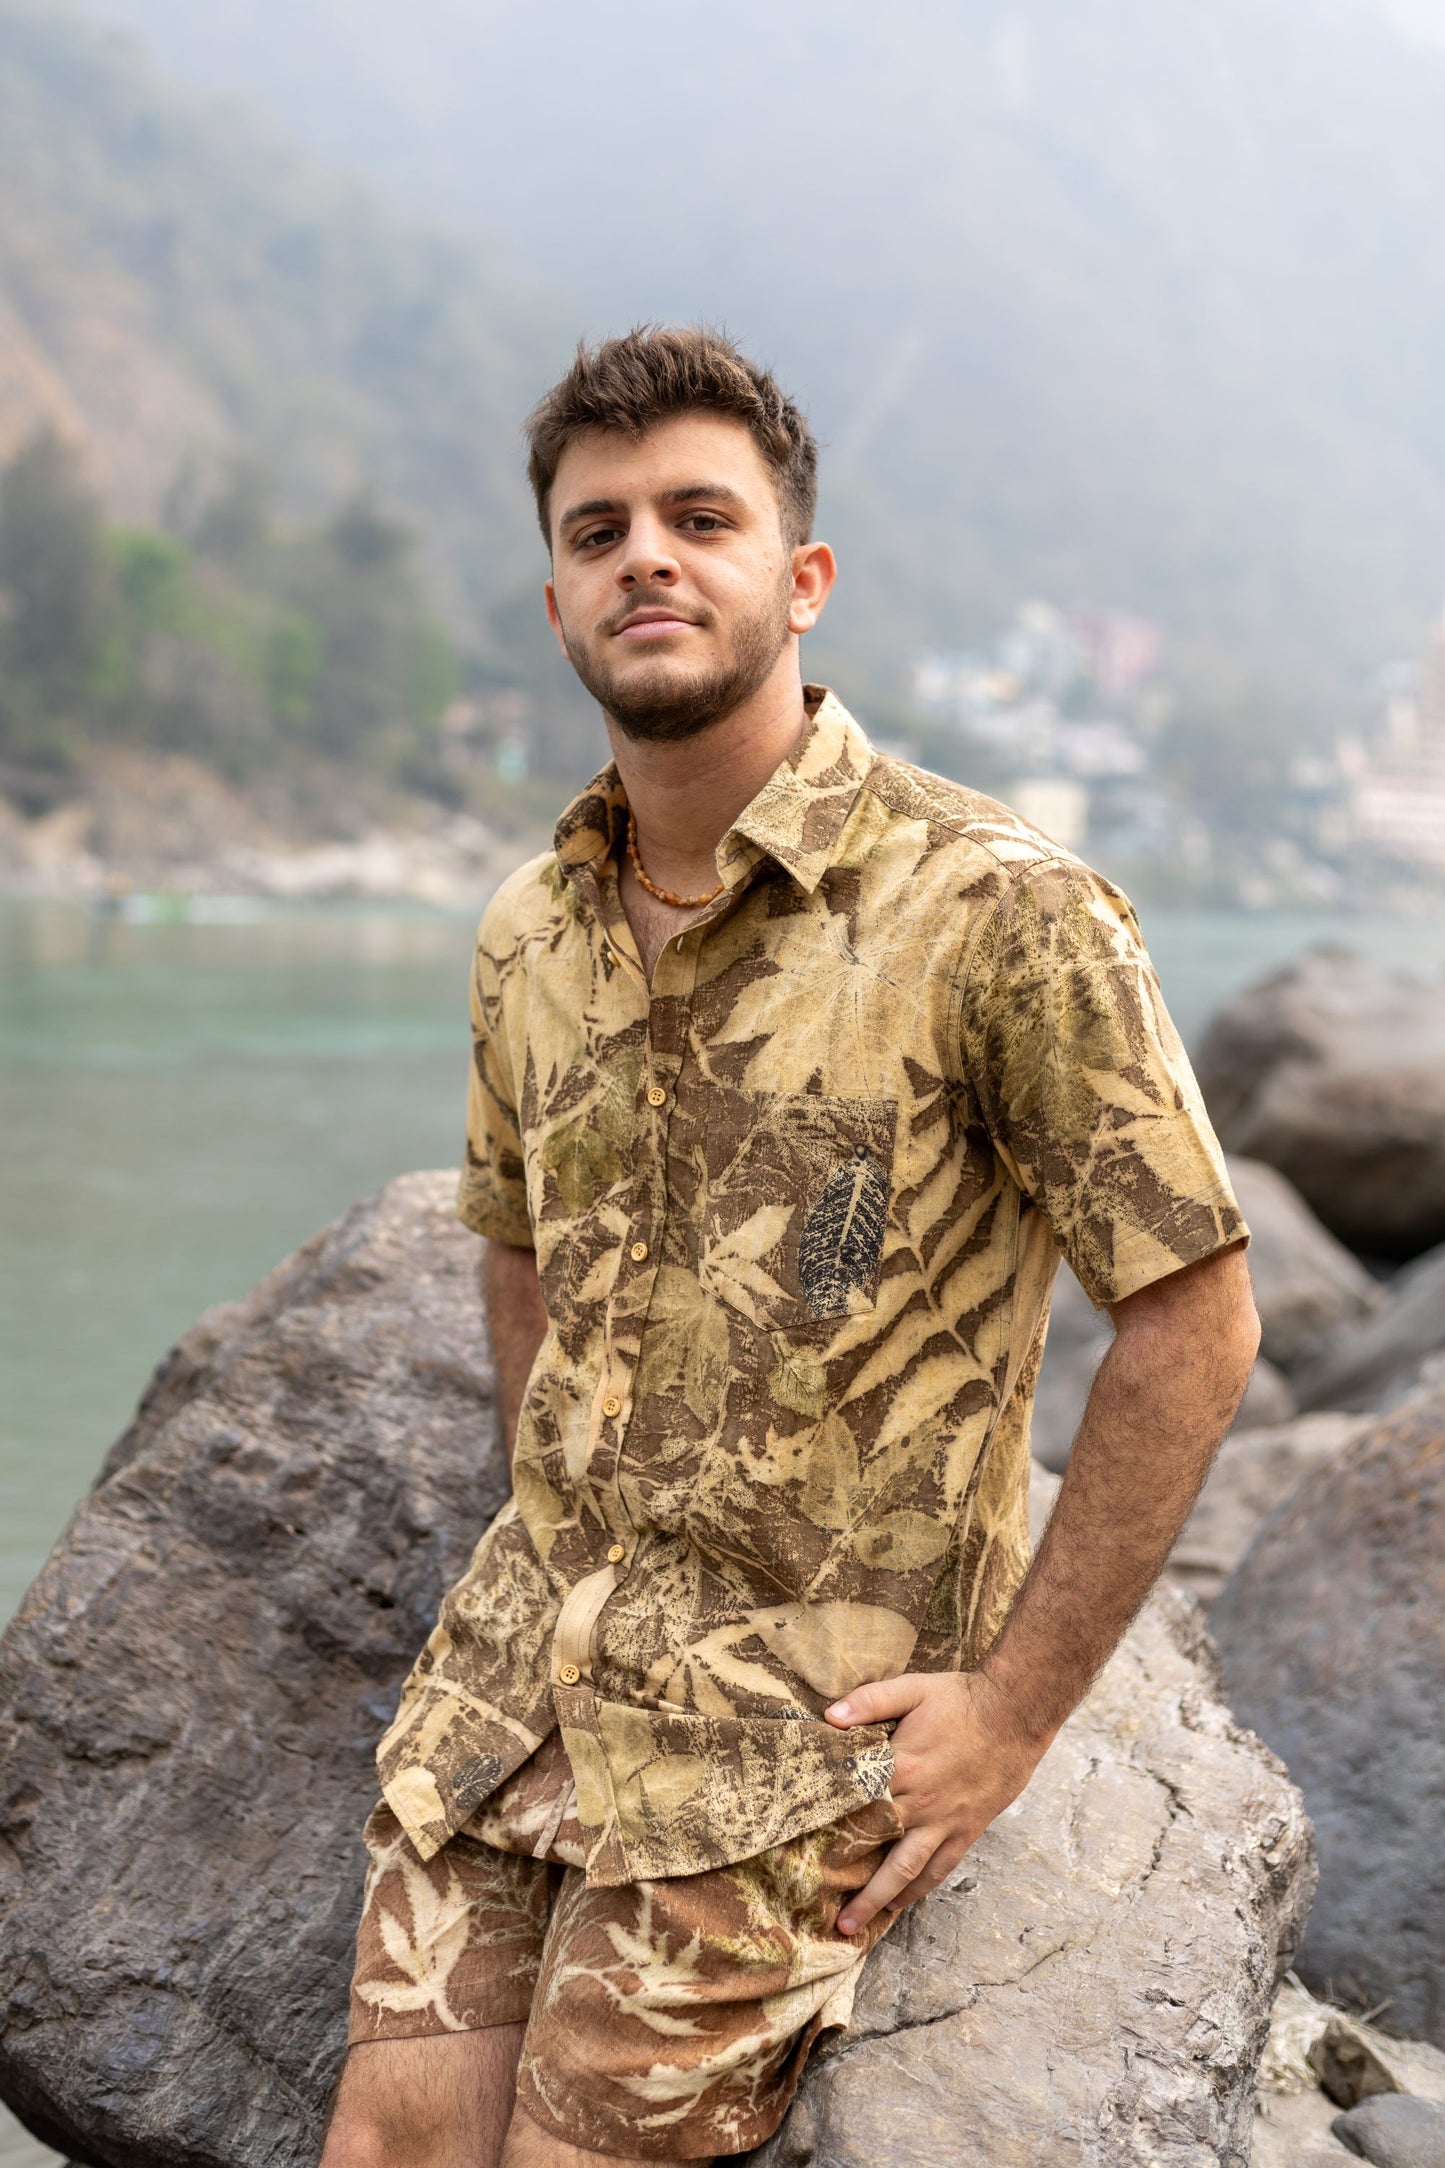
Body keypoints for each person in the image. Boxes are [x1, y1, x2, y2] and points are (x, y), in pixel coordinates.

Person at [320, 326, 1258, 2168]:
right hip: (514, 1694)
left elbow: (1197, 1323)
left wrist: (1008, 1716)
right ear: (556, 602)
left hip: (785, 1743)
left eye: (700, 519)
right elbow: (514, 1243)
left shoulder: (996, 913)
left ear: (801, 578)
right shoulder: (528, 931)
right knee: (386, 2146)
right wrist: (552, 1513)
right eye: (599, 533)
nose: (645, 561)